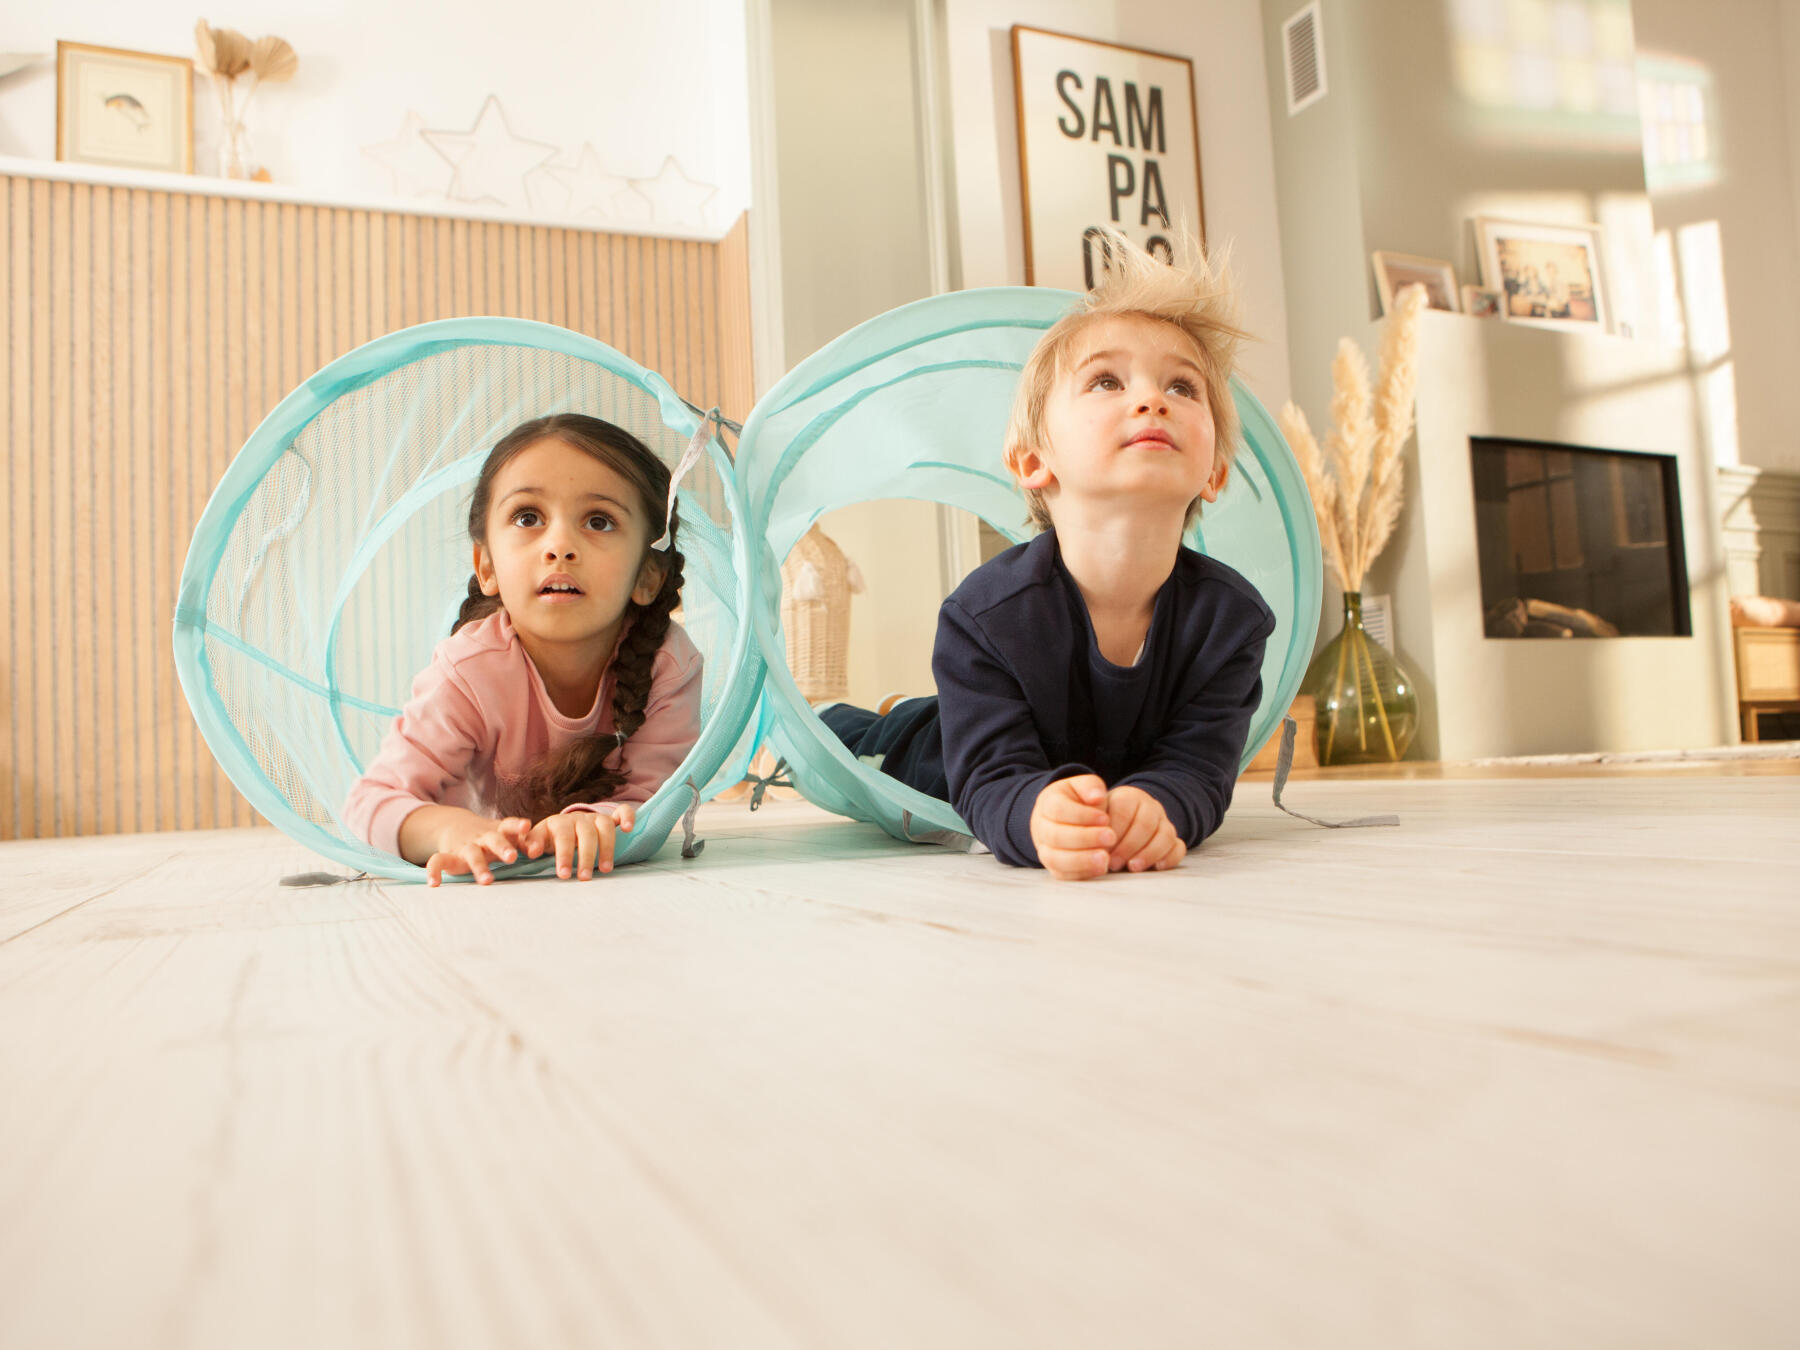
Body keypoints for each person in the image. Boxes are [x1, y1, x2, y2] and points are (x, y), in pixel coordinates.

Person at [821, 232, 1276, 880]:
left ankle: (904, 703)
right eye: (1106, 381)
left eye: (1182, 386)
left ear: (1216, 471)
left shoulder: (1231, 622)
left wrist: (1158, 806)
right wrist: (1035, 813)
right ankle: (869, 714)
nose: (1151, 400)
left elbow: (1200, 766)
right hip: (937, 748)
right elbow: (988, 778)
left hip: (1066, 745)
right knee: (867, 738)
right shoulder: (986, 615)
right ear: (1034, 461)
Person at [343, 413, 703, 886]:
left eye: (599, 521)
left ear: (647, 576)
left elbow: (655, 802)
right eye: (527, 517)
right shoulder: (467, 670)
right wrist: (452, 830)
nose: (560, 546)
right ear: (486, 565)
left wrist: (592, 821)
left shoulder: (668, 664)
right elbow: (368, 806)